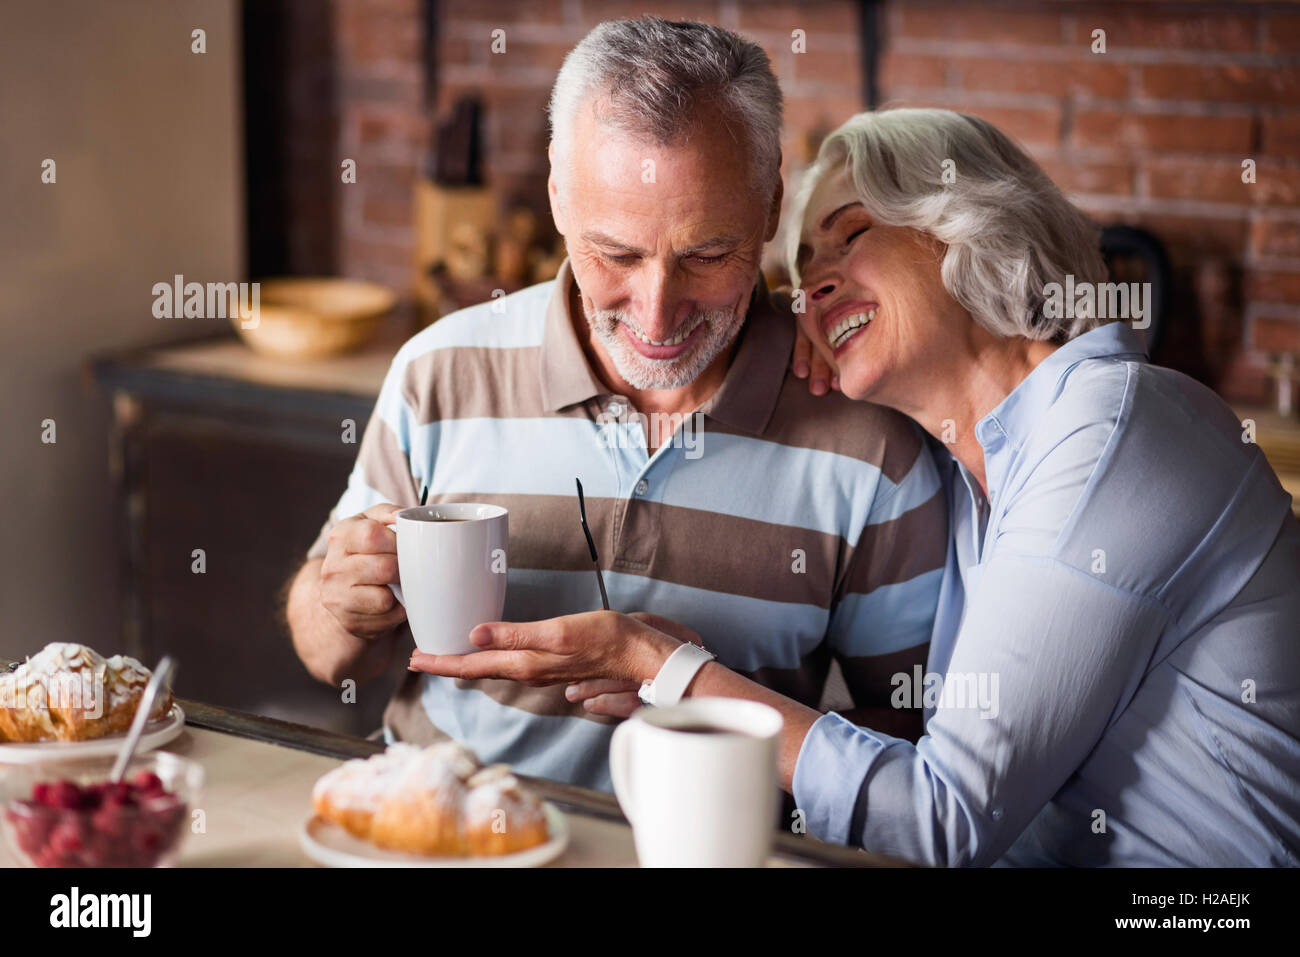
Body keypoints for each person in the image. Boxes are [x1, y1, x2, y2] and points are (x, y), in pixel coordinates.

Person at [411, 107, 1300, 866]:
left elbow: (944, 820)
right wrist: (696, 676)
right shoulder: (975, 471)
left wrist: (663, 664)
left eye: (853, 234)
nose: (813, 284)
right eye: (799, 271)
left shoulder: (1112, 430)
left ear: (967, 226)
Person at [287, 21, 948, 792]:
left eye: (706, 255)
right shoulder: (439, 371)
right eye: (617, 254)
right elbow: (326, 652)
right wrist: (335, 604)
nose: (658, 314)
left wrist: (696, 689)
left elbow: (907, 752)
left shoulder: (868, 438)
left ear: (772, 202)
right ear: (558, 197)